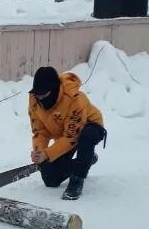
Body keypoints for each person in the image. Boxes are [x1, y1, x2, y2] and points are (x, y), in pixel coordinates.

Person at [28, 66, 106, 200]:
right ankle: (87, 159)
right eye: (37, 95)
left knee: (86, 137)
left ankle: (78, 178)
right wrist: (39, 151)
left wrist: (48, 153)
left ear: (54, 90)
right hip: (65, 134)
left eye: (43, 95)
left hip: (89, 127)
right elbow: (40, 131)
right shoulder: (34, 100)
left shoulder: (75, 99)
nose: (40, 98)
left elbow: (72, 137)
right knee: (51, 179)